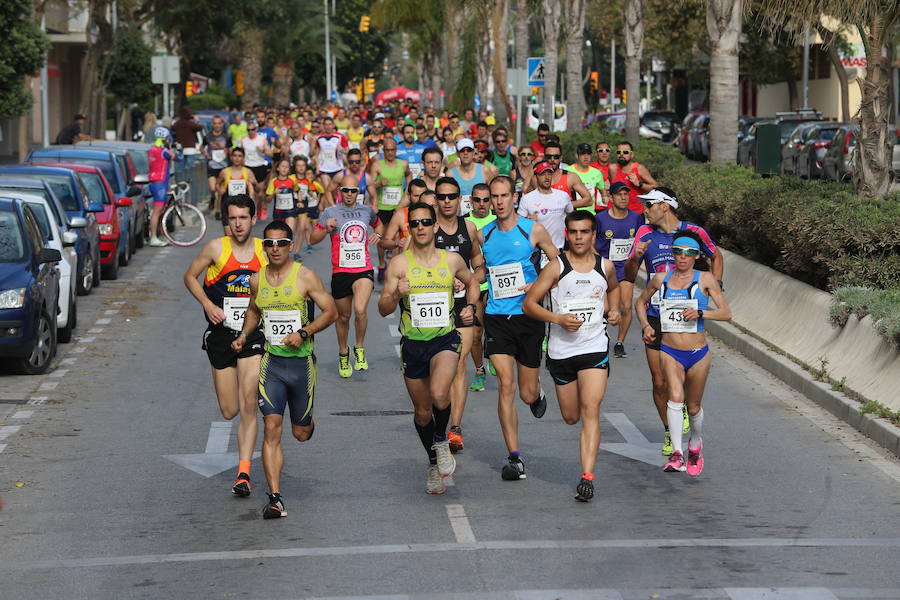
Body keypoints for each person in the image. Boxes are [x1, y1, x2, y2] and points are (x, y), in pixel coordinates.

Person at [231, 220, 338, 517]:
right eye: (269, 243)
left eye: (281, 243)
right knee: (271, 427)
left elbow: (331, 312)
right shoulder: (257, 280)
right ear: (263, 247)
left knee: (300, 433)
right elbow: (254, 311)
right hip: (272, 364)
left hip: (302, 365)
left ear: (291, 246)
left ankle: (307, 422)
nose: (275, 248)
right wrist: (243, 336)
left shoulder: (305, 277)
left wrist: (304, 332)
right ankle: (275, 498)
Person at [378, 202, 480, 494]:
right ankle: (434, 462)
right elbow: (383, 308)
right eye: (415, 223)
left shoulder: (451, 260)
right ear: (409, 228)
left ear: (435, 226)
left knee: (439, 393)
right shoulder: (399, 264)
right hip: (413, 344)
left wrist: (470, 307)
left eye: (425, 222)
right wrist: (396, 294)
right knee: (422, 412)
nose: (420, 227)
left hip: (445, 338)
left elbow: (473, 282)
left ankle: (440, 440)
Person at [523, 210, 621, 501]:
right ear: (567, 234)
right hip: (561, 352)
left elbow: (614, 288)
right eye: (574, 232)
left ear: (593, 235)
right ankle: (542, 392)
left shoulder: (605, 266)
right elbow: (529, 304)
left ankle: (587, 477)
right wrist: (558, 319)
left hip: (594, 347)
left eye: (584, 232)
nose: (579, 237)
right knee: (570, 416)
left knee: (591, 409)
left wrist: (614, 309)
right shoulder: (556, 267)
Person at [623, 186, 724, 455]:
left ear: (664, 206)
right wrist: (636, 257)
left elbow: (715, 255)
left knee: (686, 379)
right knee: (659, 382)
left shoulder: (694, 231)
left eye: (649, 205)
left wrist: (715, 286)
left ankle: (686, 410)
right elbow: (629, 274)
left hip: (685, 316)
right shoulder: (644, 233)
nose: (644, 210)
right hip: (656, 316)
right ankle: (670, 431)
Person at [183, 195, 267, 498]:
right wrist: (207, 304)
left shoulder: (264, 251)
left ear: (253, 219)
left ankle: (243, 473)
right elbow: (190, 276)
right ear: (227, 221)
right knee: (230, 409)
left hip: (253, 335)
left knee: (248, 403)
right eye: (233, 218)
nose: (238, 224)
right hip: (221, 335)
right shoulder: (216, 248)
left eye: (243, 217)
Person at [478, 176, 559, 480]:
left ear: (514, 197)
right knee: (505, 384)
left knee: (525, 394)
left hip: (528, 316)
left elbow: (558, 264)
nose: (499, 202)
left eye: (504, 196)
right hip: (497, 317)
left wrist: (538, 284)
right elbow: (481, 269)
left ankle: (536, 392)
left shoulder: (532, 229)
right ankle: (515, 457)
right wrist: (469, 280)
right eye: (494, 197)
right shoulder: (484, 234)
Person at [634, 231, 731, 475]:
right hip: (669, 350)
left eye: (689, 253)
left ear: (696, 256)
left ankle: (695, 444)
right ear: (673, 254)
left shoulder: (705, 279)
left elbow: (726, 313)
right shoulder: (661, 279)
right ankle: (677, 454)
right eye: (678, 251)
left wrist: (701, 313)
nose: (683, 257)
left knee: (694, 407)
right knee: (675, 397)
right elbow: (640, 302)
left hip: (697, 353)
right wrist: (646, 326)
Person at [309, 172, 385, 378]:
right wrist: (326, 229)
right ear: (339, 191)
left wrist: (378, 234)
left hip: (363, 269)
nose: (350, 194)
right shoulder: (330, 212)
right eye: (346, 190)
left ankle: (359, 348)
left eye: (353, 190)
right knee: (343, 317)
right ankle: (343, 352)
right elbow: (312, 239)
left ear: (358, 191)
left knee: (360, 309)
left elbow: (378, 223)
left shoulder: (366, 211)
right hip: (341, 271)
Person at [433, 177, 486, 452]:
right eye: (442, 197)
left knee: (459, 360)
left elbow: (479, 264)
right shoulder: (427, 228)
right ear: (436, 200)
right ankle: (437, 416)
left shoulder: (469, 228)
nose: (447, 201)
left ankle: (455, 427)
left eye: (452, 196)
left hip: (463, 304)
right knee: (435, 368)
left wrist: (469, 280)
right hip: (433, 306)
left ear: (459, 199)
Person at [594, 181, 645, 359]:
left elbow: (640, 240)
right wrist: (597, 262)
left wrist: (636, 259)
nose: (623, 198)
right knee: (606, 308)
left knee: (625, 306)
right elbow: (591, 242)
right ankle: (600, 335)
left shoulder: (636, 218)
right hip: (606, 268)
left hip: (626, 268)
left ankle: (619, 342)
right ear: (611, 197)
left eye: (626, 194)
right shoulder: (600, 218)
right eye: (619, 194)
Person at [465, 183, 496, 392]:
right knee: (476, 334)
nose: (482, 204)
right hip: (473, 283)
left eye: (486, 200)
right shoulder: (464, 223)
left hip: (496, 284)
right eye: (477, 200)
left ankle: (493, 353)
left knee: (493, 326)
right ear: (471, 201)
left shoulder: (499, 220)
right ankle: (479, 370)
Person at [368, 137, 411, 281]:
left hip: (398, 207)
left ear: (396, 150)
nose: (390, 153)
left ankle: (394, 266)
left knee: (397, 239)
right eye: (387, 150)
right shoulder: (377, 165)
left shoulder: (403, 164)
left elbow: (409, 175)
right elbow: (370, 185)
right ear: (383, 151)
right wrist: (379, 184)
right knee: (381, 238)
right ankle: (381, 264)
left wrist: (408, 190)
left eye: (392, 150)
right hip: (382, 207)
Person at [518, 161, 574, 250]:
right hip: (537, 251)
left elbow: (571, 218)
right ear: (535, 176)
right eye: (542, 174)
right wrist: (528, 222)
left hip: (559, 249)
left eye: (549, 173)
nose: (547, 177)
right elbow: (519, 226)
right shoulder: (527, 199)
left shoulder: (563, 196)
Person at [216, 147, 259, 236]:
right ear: (231, 157)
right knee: (229, 236)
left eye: (240, 156)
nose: (237, 158)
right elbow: (217, 184)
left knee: (241, 236)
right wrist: (219, 190)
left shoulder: (248, 172)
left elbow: (258, 189)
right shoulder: (224, 172)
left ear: (243, 158)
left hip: (243, 207)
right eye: (235, 155)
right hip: (227, 206)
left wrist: (254, 184)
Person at [450, 139, 497, 217]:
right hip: (460, 217)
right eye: (462, 150)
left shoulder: (485, 170)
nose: (465, 153)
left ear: (473, 152)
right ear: (458, 153)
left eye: (469, 150)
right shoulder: (450, 173)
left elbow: (494, 194)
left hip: (482, 217)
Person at [608, 141, 658, 214]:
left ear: (632, 155)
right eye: (619, 152)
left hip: (635, 213)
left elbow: (655, 188)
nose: (621, 154)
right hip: (616, 213)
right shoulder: (612, 169)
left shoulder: (639, 169)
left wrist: (639, 184)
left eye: (625, 152)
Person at [148, 126, 173, 247]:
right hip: (160, 182)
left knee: (159, 210)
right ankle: (153, 237)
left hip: (154, 181)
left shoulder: (152, 149)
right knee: (157, 211)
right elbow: (175, 156)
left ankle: (158, 235)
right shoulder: (163, 151)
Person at [202, 116, 232, 218]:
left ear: (222, 124)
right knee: (213, 188)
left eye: (219, 123)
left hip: (224, 166)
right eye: (215, 123)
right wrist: (205, 153)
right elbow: (201, 147)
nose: (217, 125)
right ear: (212, 124)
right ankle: (212, 198)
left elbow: (231, 149)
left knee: (220, 191)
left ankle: (218, 211)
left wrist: (228, 151)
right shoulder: (208, 136)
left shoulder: (226, 136)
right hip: (212, 165)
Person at [265, 158, 301, 238]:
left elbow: (298, 191)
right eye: (282, 166)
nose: (284, 168)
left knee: (289, 233)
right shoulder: (273, 181)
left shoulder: (292, 180)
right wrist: (274, 193)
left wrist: (300, 201)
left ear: (289, 170)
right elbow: (267, 200)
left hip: (290, 211)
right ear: (278, 168)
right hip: (278, 212)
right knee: (279, 235)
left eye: (286, 167)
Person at [569, 143, 608, 213]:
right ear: (577, 155)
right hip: (573, 214)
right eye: (583, 154)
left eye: (588, 154)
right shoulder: (568, 171)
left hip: (591, 214)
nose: (586, 157)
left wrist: (605, 197)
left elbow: (602, 190)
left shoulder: (597, 173)